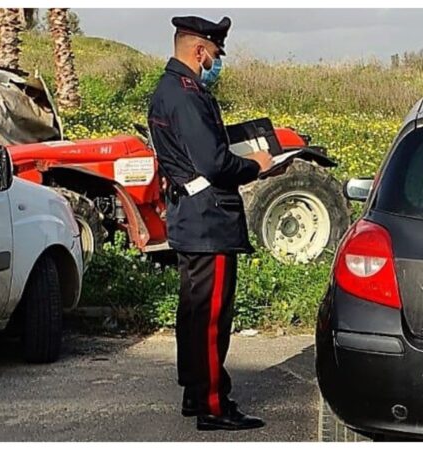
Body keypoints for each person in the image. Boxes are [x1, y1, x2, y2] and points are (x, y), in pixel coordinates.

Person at [147, 15, 273, 432]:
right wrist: (256, 165)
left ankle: (195, 391)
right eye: (215, 54)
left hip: (192, 219)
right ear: (199, 50)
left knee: (194, 314)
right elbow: (214, 163)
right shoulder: (185, 94)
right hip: (208, 221)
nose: (216, 62)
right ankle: (214, 405)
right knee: (211, 317)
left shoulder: (173, 89)